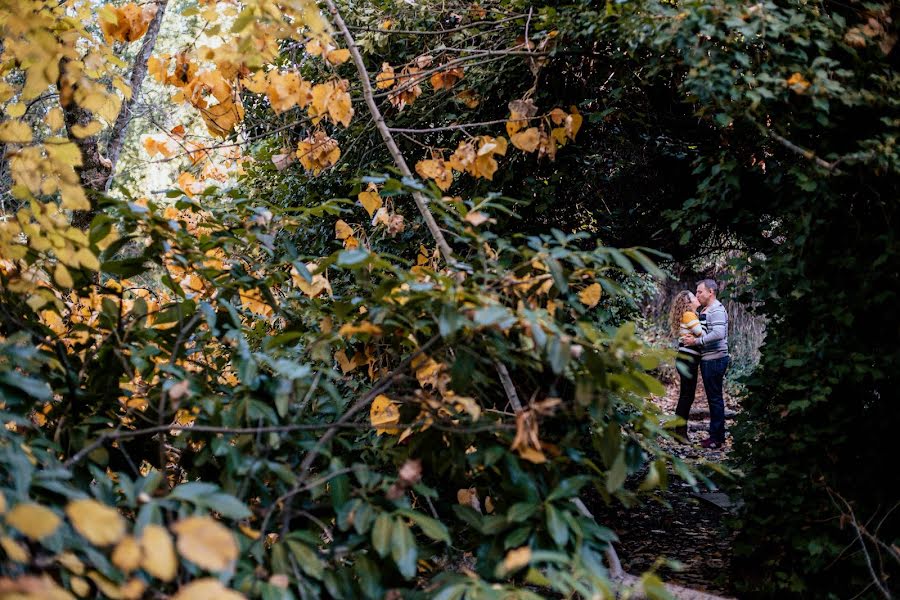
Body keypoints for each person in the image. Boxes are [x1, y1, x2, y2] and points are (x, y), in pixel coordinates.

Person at [681, 278, 730, 449]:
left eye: (700, 291)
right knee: (713, 398)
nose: (697, 295)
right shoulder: (706, 309)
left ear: (711, 292)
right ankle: (717, 436)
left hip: (716, 359)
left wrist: (696, 342)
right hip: (709, 359)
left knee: (715, 399)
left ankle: (716, 439)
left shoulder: (715, 309)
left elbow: (718, 333)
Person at [668, 290, 703, 442]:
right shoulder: (689, 315)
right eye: (694, 297)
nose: (697, 298)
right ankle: (680, 433)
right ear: (688, 303)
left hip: (686, 358)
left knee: (686, 396)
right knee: (686, 396)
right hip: (687, 358)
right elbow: (702, 333)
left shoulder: (691, 315)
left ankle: (679, 431)